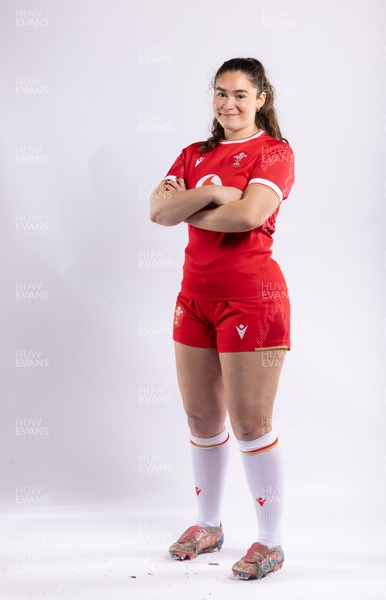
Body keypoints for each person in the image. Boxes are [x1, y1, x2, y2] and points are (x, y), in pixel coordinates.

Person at [149, 57, 295, 581]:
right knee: (201, 420)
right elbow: (156, 212)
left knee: (251, 424)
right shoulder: (195, 154)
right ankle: (208, 524)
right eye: (219, 93)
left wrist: (186, 206)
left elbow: (249, 216)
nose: (227, 103)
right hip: (194, 298)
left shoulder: (273, 152)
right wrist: (210, 192)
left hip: (252, 300)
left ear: (260, 98)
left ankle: (271, 541)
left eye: (239, 94)